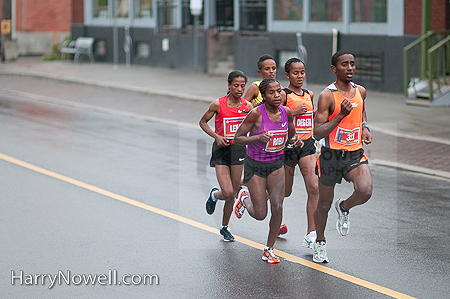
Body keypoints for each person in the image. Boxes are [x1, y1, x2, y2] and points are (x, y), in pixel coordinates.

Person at [312, 50, 373, 263]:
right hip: (330, 156)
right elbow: (317, 132)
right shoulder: (327, 96)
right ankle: (320, 242)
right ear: (334, 69)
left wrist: (364, 127)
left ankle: (344, 207)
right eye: (344, 64)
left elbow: (362, 111)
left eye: (352, 64)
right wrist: (340, 116)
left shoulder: (361, 92)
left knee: (365, 190)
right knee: (324, 204)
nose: (350, 68)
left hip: (355, 153)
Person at [233, 78, 302, 263]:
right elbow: (237, 138)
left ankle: (269, 249)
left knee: (278, 206)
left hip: (276, 164)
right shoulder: (255, 114)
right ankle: (243, 198)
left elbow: (291, 134)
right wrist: (256, 138)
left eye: (279, 91)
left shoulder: (287, 112)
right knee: (260, 214)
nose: (277, 95)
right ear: (263, 96)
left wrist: (296, 140)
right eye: (271, 92)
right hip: (255, 165)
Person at [199, 70, 254, 242]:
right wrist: (217, 136)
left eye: (242, 86)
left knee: (233, 192)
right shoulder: (218, 104)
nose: (239, 89)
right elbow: (202, 122)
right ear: (229, 85)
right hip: (221, 151)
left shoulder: (248, 107)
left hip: (238, 151)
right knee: (229, 192)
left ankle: (224, 227)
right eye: (236, 85)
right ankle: (215, 195)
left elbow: (254, 128)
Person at [243, 54, 288, 235]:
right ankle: (247, 198)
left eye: (274, 68)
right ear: (260, 71)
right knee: (261, 211)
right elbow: (243, 106)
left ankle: (275, 228)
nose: (271, 71)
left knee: (277, 201)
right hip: (256, 147)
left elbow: (286, 115)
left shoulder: (279, 91)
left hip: (275, 154)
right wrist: (255, 127)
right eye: (267, 69)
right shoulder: (255, 89)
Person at [281, 58, 319, 249]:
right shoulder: (283, 95)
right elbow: (274, 117)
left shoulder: (309, 94)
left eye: (302, 72)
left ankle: (311, 234)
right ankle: (258, 197)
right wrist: (293, 113)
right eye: (295, 73)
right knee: (285, 192)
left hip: (307, 145)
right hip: (288, 147)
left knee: (314, 187)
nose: (300, 76)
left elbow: (313, 117)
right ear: (287, 75)